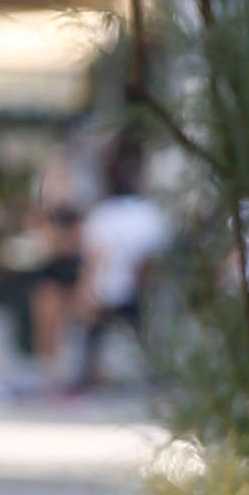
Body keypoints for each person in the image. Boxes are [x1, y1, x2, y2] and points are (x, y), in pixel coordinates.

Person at [72, 141, 171, 393]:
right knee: (135, 335)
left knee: (98, 336)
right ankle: (153, 375)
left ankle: (87, 375)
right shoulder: (147, 214)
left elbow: (94, 259)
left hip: (109, 289)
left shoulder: (103, 214)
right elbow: (150, 261)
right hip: (128, 290)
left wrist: (88, 291)